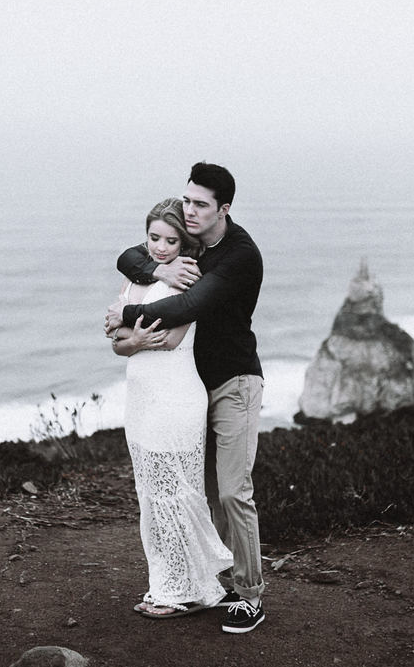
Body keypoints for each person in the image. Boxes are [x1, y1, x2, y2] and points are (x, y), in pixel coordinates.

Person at [105, 162, 267, 634]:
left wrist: (122, 315)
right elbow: (129, 255)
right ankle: (202, 586)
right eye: (188, 200)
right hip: (194, 383)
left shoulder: (239, 255)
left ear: (224, 209)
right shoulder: (188, 245)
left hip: (235, 381)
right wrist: (155, 266)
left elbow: (186, 307)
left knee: (234, 490)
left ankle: (250, 595)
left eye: (200, 204)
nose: (189, 210)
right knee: (204, 494)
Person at [109, 197, 233, 619]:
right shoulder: (136, 277)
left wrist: (133, 333)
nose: (161, 247)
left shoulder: (187, 279)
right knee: (151, 497)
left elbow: (171, 340)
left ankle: (184, 591)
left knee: (176, 497)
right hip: (141, 399)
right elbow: (117, 345)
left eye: (171, 239)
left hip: (176, 398)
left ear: (185, 241)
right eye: (154, 238)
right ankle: (165, 584)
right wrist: (133, 337)